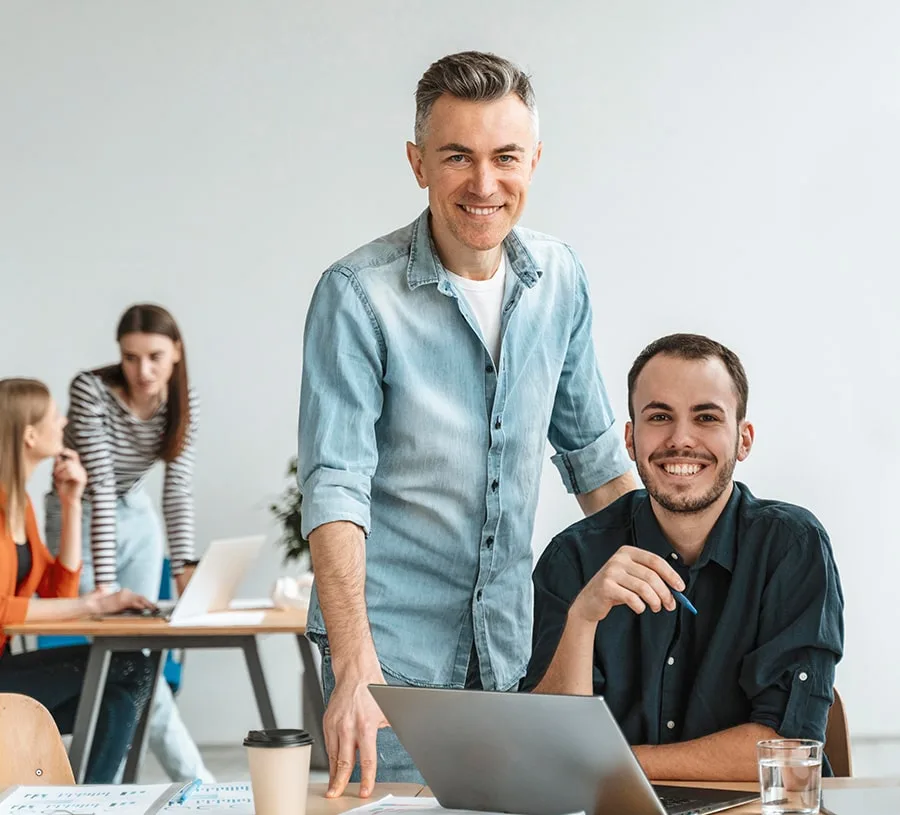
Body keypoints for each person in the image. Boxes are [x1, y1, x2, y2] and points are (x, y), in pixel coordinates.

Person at [299, 50, 636, 796]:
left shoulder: (560, 280)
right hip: (393, 663)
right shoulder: (356, 296)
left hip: (513, 649)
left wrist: (668, 609)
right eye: (458, 156)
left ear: (535, 160)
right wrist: (356, 665)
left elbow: (595, 461)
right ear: (418, 164)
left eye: (505, 156)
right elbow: (335, 490)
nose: (484, 185)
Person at [523, 333, 844, 780]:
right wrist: (583, 620)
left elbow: (789, 757)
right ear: (631, 440)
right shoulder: (574, 556)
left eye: (707, 417)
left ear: (743, 439)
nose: (681, 439)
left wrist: (613, 763)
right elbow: (550, 748)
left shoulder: (792, 545)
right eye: (659, 416)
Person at [43, 303, 213, 783]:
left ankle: (124, 789)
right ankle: (197, 785)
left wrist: (185, 567)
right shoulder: (90, 389)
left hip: (138, 514)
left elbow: (177, 489)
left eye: (155, 356)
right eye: (131, 357)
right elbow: (96, 486)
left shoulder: (183, 402)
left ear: (177, 351)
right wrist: (108, 591)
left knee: (139, 650)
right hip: (77, 512)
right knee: (119, 647)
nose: (143, 370)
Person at [0, 377, 157, 783]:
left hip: (6, 670)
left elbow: (57, 590)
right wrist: (94, 605)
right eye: (55, 416)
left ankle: (88, 805)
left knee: (118, 697)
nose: (64, 421)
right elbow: (5, 609)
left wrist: (71, 504)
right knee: (125, 668)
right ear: (30, 435)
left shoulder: (21, 506)